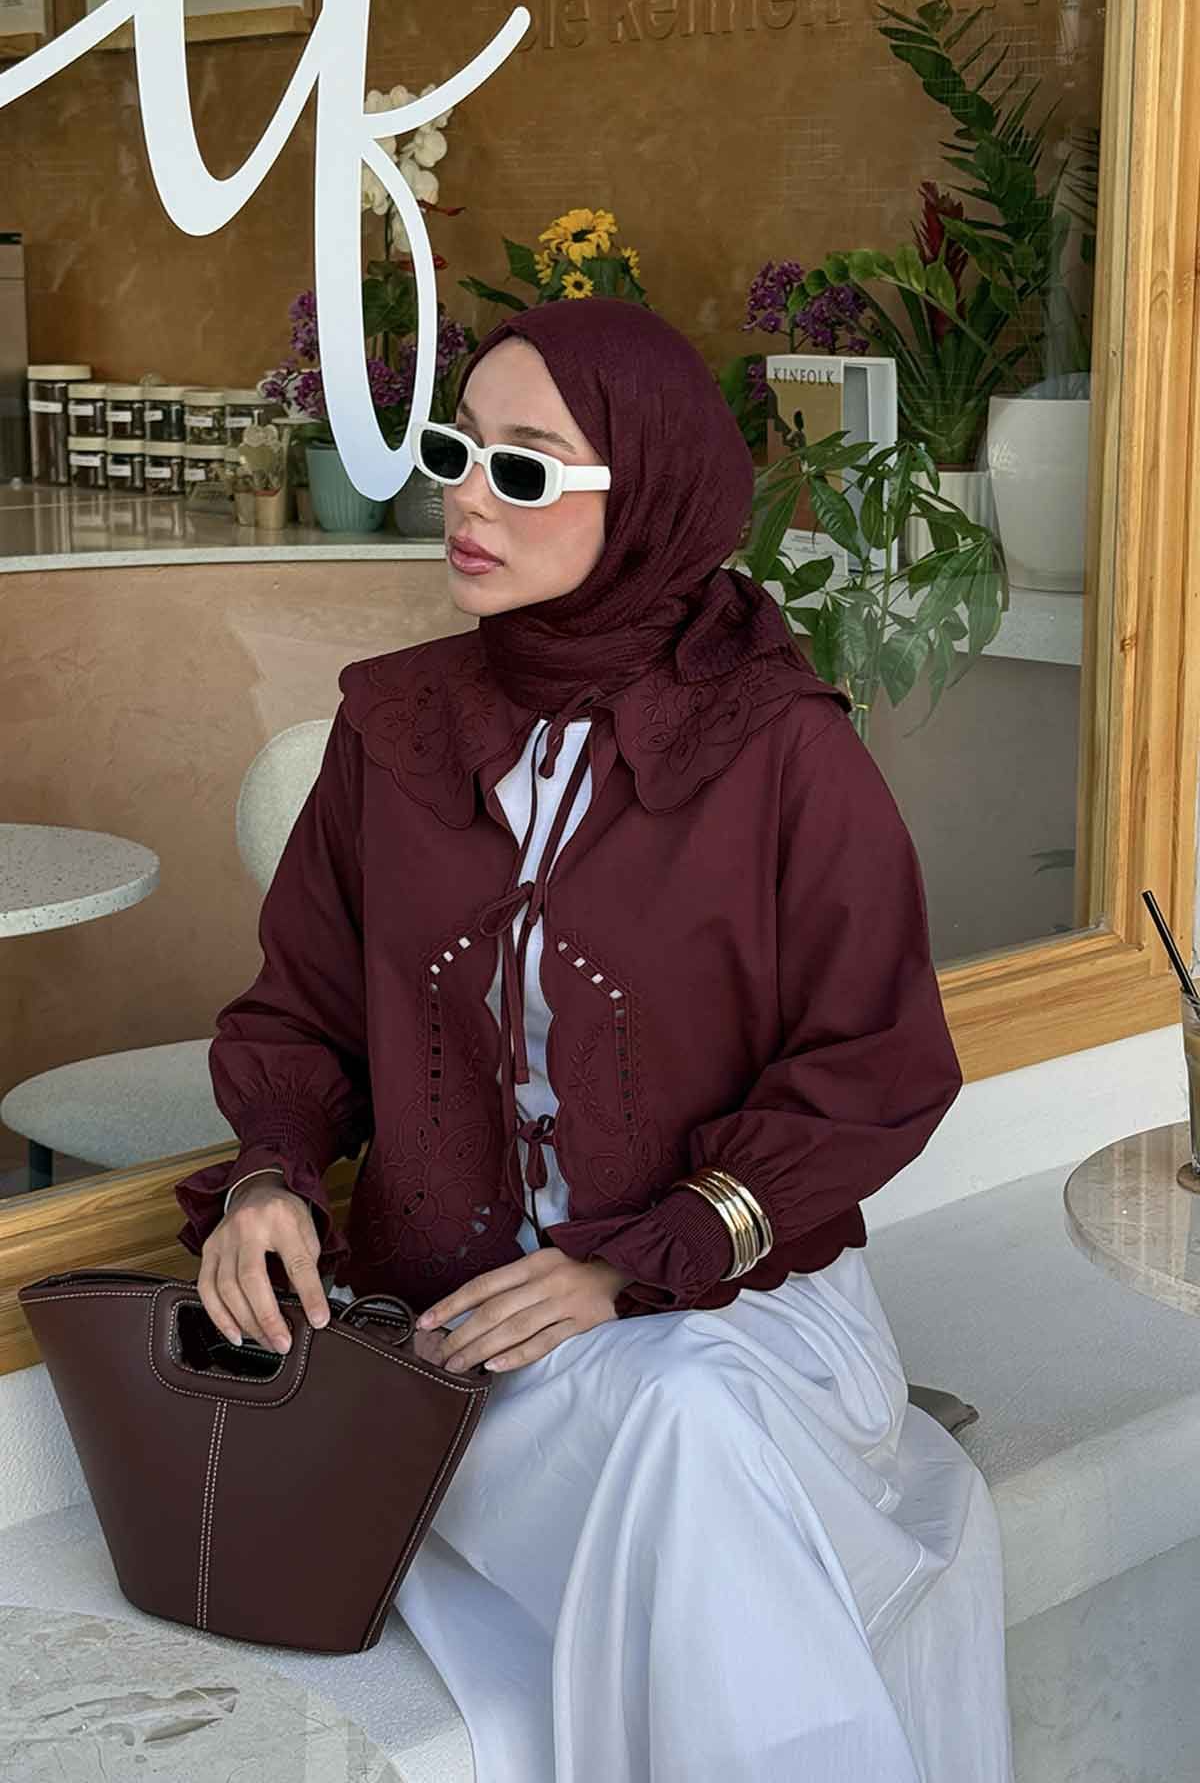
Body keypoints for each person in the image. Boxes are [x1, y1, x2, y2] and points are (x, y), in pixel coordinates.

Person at [175, 297, 1013, 1781]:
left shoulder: (780, 746)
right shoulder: (392, 732)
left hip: (736, 1309)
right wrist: (267, 1181)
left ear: (650, 499)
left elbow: (876, 1063)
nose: (467, 499)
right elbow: (302, 1010)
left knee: (686, 1419)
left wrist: (637, 1258)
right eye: (457, 452)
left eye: (525, 467)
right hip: (462, 1338)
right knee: (684, 1457)